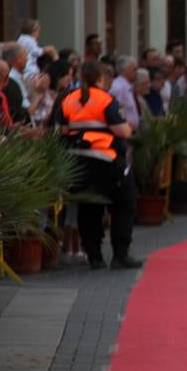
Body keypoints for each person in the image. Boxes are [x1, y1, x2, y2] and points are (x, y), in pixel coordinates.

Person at [55, 61, 142, 270]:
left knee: (88, 207)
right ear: (102, 79)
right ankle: (120, 255)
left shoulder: (69, 99)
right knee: (124, 202)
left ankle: (94, 256)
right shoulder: (106, 99)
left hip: (78, 161)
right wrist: (128, 129)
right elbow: (122, 131)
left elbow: (62, 131)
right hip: (107, 159)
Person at [110, 56, 140, 131]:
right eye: (134, 70)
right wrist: (123, 121)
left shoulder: (129, 86)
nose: (137, 73)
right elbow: (117, 108)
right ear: (124, 71)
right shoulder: (118, 87)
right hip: (123, 131)